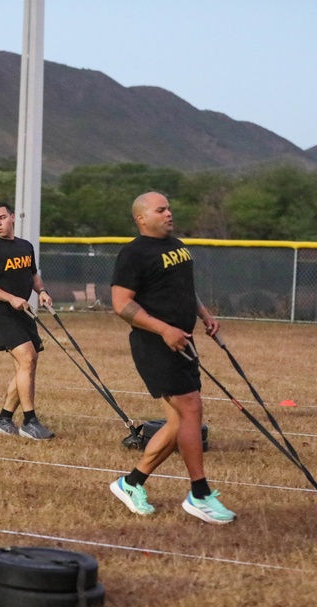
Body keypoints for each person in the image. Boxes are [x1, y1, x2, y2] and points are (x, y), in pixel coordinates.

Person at [108, 191, 236, 524]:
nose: (169, 213)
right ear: (141, 218)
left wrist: (204, 314)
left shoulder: (177, 246)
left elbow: (181, 288)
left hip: (183, 342)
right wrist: (164, 329)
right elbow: (122, 305)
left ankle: (131, 483)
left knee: (180, 420)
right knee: (191, 407)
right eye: (160, 209)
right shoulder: (133, 254)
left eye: (169, 207)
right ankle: (200, 493)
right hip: (156, 346)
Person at [0, 201, 55, 440]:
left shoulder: (25, 246)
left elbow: (32, 275)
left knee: (27, 364)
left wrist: (42, 292)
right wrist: (10, 298)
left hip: (25, 312)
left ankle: (3, 418)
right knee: (27, 358)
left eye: (1, 218)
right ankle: (30, 422)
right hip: (1, 312)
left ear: (11, 218)